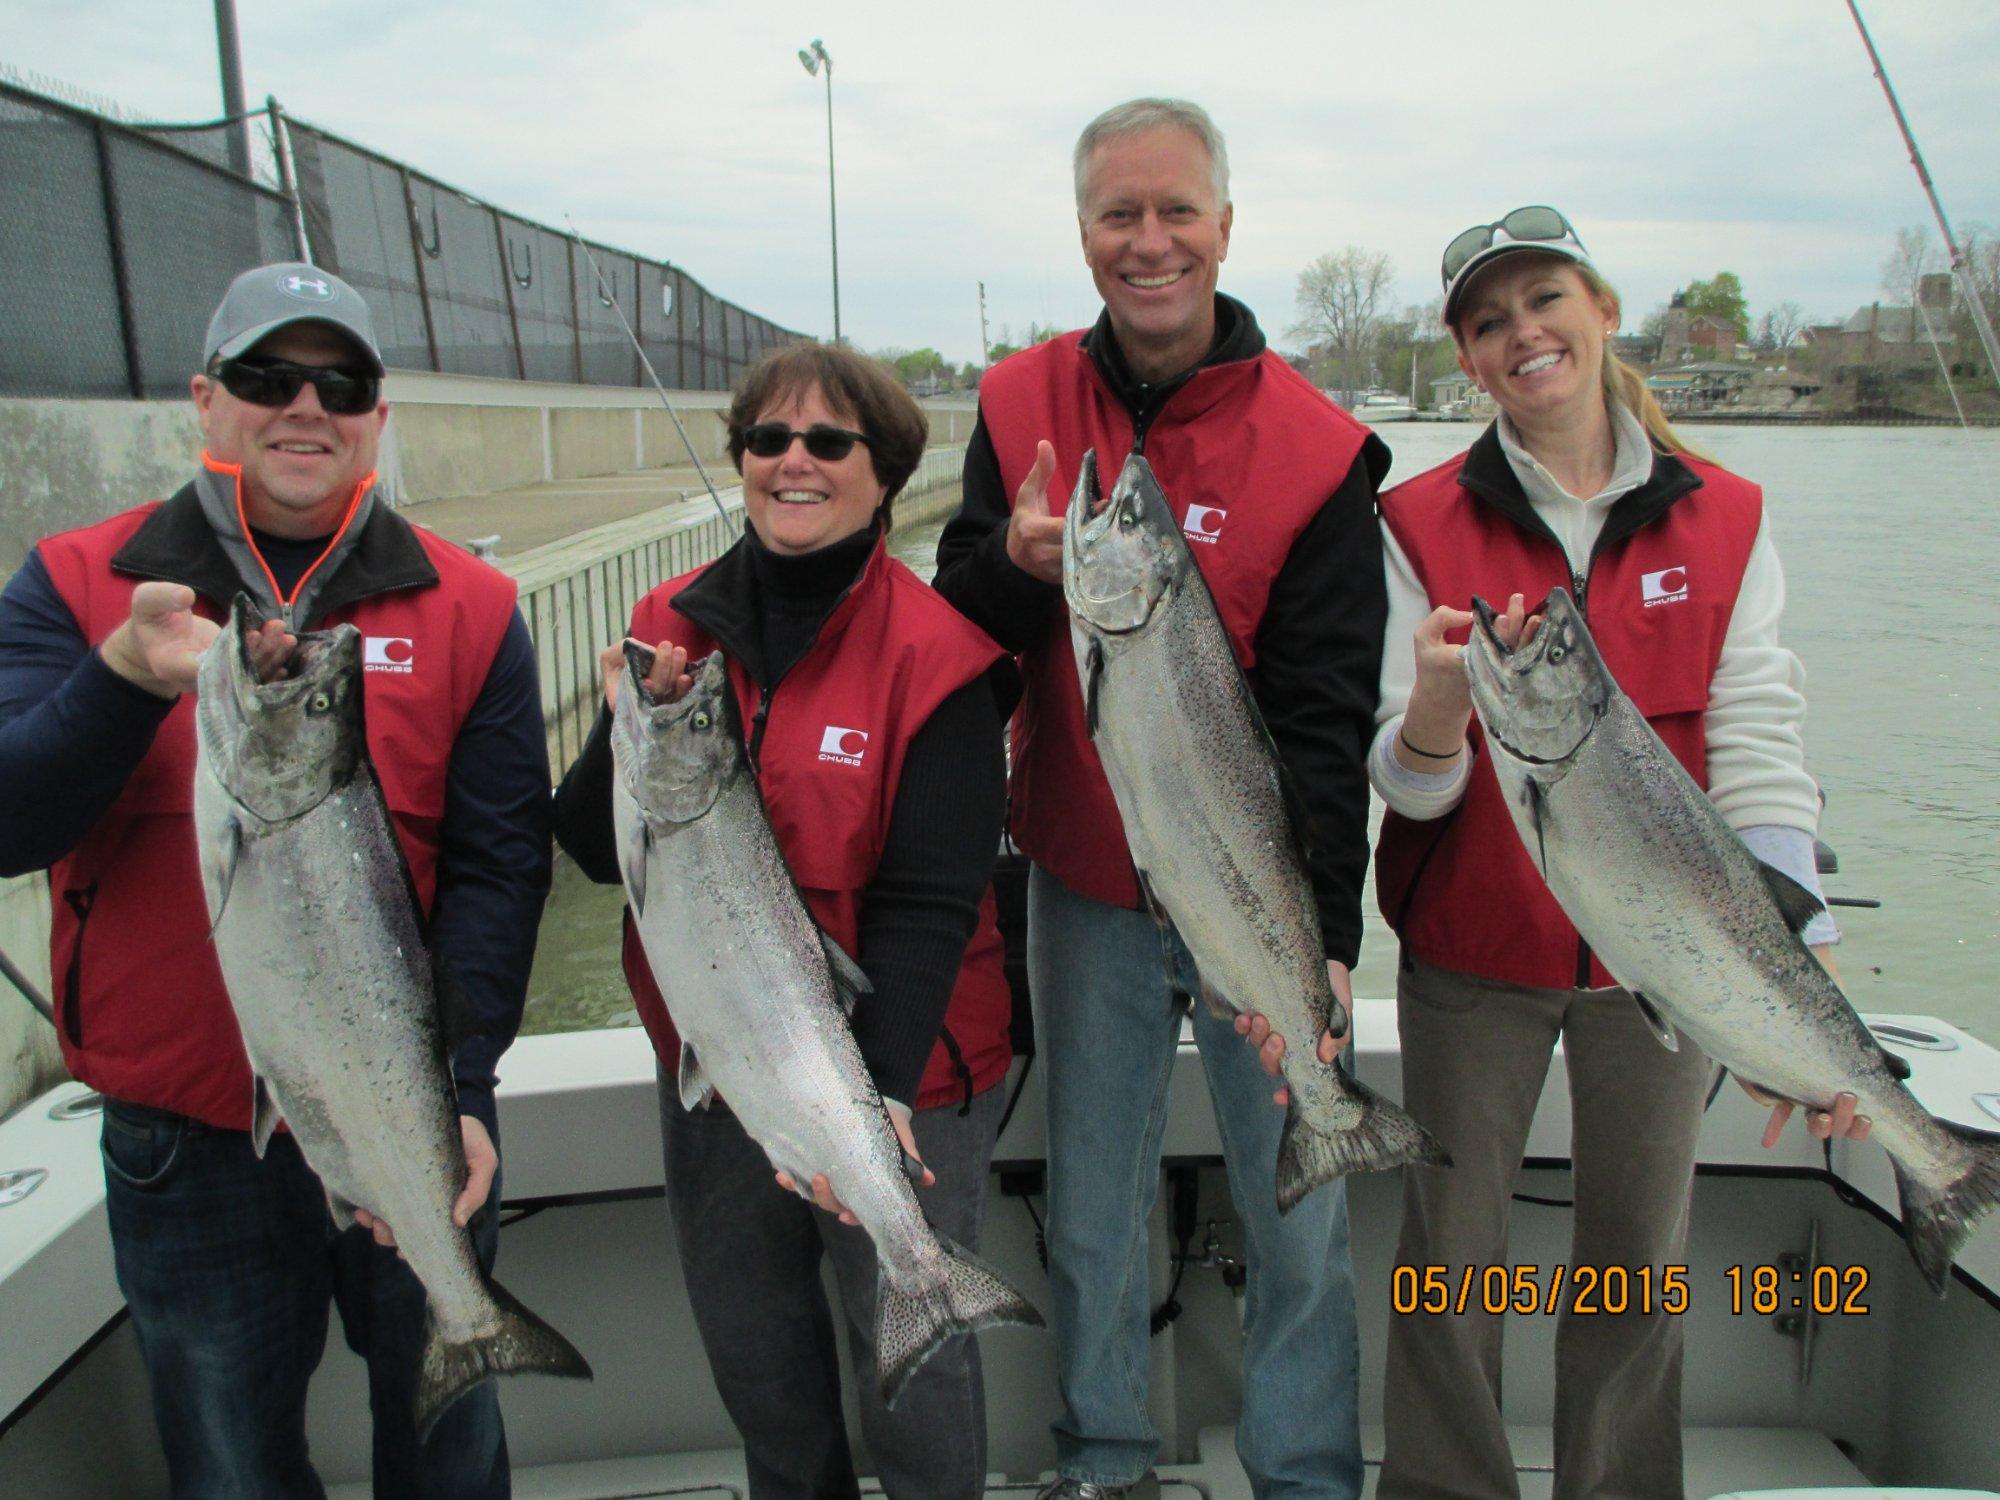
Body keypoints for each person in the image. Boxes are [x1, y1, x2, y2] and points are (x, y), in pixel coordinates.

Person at [0, 262, 551, 1497]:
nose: (307, 406)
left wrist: (461, 1086)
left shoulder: (473, 607)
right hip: (185, 1140)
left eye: (341, 385)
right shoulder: (73, 580)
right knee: (232, 1466)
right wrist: (121, 678)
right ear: (206, 398)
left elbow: (500, 869)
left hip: (411, 1115)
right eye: (268, 376)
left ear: (376, 418)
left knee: (452, 1459)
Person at [1366, 207, 1868, 1499]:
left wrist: (1802, 958)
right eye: (1489, 321)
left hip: (1679, 962)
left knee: (1638, 1266)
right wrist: (1435, 716)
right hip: (1471, 958)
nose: (1522, 334)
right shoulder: (1410, 521)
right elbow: (1407, 790)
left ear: (1600, 308)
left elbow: (1756, 741)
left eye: (1544, 300)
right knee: (1447, 1267)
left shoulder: (1731, 517)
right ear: (1465, 358)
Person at [933, 98, 1388, 1499]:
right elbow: (956, 639)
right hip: (1083, 887)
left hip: (1255, 892)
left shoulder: (1320, 448)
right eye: (1119, 214)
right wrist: (1014, 567)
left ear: (1225, 227)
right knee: (1090, 1210)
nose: (1150, 241)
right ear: (1083, 233)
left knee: (1299, 1218)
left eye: (1176, 210)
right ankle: (1102, 1461)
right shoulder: (1012, 404)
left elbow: (1327, 722)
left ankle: (1305, 1475)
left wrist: (1326, 937)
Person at [551, 341, 1013, 1500]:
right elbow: (591, 852)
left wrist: (876, 1097)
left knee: (912, 1379)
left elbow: (928, 903)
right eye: (767, 439)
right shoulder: (669, 626)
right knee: (757, 1357)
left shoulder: (941, 658)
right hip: (719, 1064)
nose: (792, 461)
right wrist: (622, 729)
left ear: (884, 473)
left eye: (826, 441)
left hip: (908, 1073)